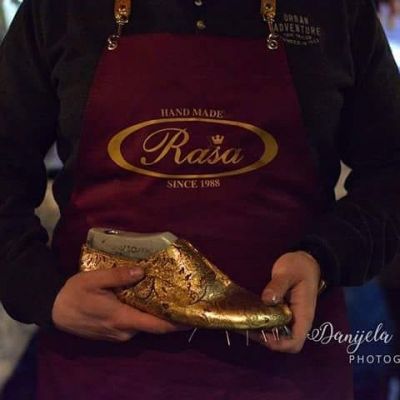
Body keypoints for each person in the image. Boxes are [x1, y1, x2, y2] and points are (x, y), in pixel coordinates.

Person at [0, 0, 399, 399]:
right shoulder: (60, 11)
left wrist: (324, 259)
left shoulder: (335, 10)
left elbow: (390, 170)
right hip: (101, 371)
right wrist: (43, 291)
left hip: (289, 371)